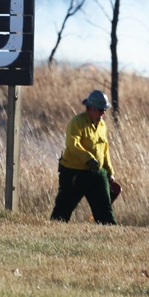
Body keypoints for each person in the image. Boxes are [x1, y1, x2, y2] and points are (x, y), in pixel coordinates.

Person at [50, 89, 119, 225]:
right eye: (100, 110)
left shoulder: (102, 125)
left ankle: (110, 235)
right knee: (62, 211)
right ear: (91, 108)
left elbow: (105, 150)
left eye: (104, 110)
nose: (103, 113)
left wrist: (109, 172)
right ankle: (52, 233)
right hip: (74, 174)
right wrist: (88, 158)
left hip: (97, 173)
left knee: (104, 210)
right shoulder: (76, 123)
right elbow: (72, 144)